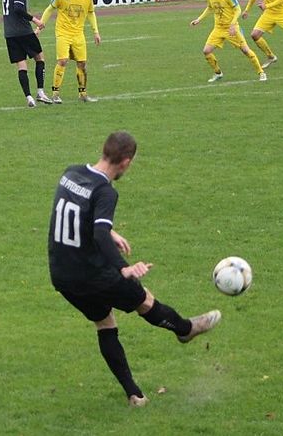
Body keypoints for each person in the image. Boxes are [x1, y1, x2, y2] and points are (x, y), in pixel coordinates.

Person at [47, 131, 222, 407]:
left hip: (62, 274)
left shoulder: (71, 173)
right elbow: (99, 234)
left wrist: (110, 231)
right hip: (93, 274)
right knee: (145, 302)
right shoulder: (106, 191)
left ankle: (135, 395)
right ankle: (185, 329)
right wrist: (124, 268)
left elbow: (80, 214)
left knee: (105, 322)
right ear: (126, 162)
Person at [38, 0, 100, 103]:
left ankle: (83, 94)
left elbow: (91, 13)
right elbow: (49, 9)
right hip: (63, 33)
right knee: (62, 61)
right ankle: (55, 94)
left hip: (78, 34)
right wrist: (40, 26)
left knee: (82, 63)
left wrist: (95, 31)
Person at [191, 0, 266, 82]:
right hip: (218, 29)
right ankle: (218, 73)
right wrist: (199, 19)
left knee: (246, 50)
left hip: (232, 28)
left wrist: (232, 24)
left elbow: (238, 9)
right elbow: (210, 8)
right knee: (206, 51)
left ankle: (261, 73)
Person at [2, 0, 51, 108]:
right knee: (40, 58)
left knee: (21, 65)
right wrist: (35, 20)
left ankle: (29, 97)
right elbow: (18, 9)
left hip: (9, 33)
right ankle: (40, 92)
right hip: (23, 31)